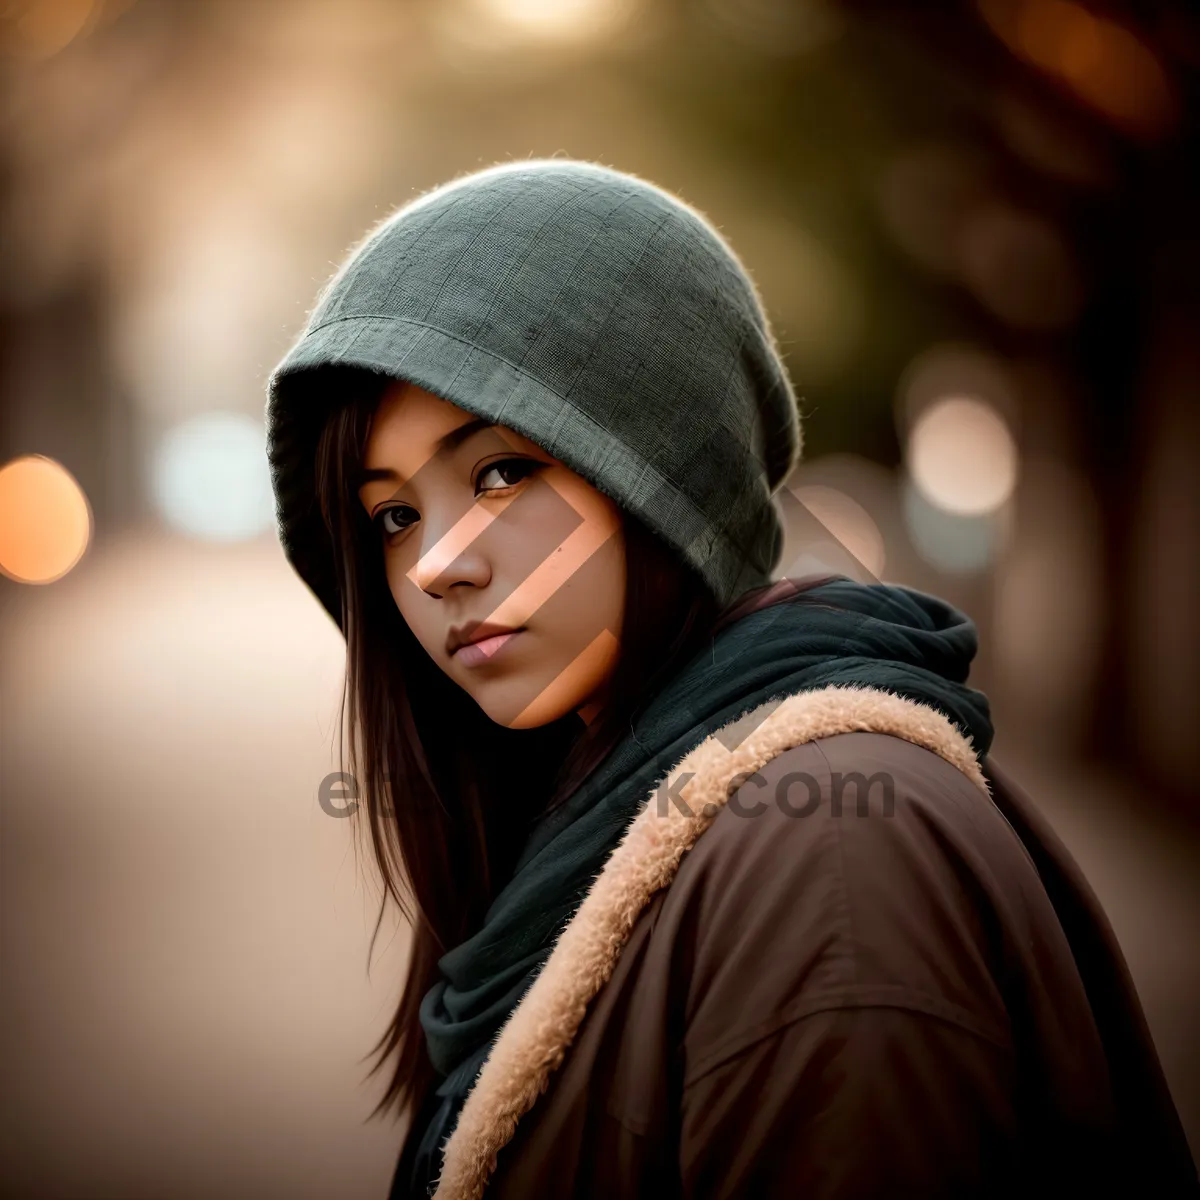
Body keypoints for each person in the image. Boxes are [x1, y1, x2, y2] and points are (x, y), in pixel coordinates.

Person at [265, 159, 1197, 1199]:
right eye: (393, 515)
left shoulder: (838, 858)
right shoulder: (595, 796)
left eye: (501, 471)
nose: (439, 561)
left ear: (657, 469)